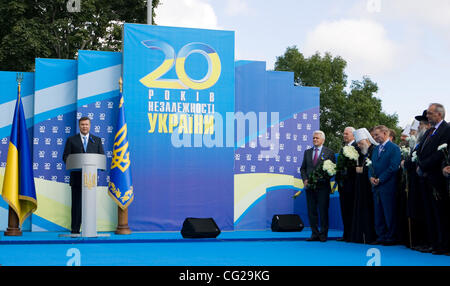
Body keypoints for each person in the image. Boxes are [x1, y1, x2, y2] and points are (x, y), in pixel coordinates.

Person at [416, 103, 450, 255]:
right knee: (429, 212)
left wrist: (423, 165)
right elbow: (420, 150)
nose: (427, 116)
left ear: (439, 115)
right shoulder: (429, 131)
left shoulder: (447, 129)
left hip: (437, 177)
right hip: (425, 177)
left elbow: (441, 153)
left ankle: (444, 244)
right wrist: (418, 163)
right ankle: (434, 242)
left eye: (430, 113)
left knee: (440, 212)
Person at [63, 117, 105, 234]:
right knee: (76, 205)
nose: (84, 127)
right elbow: (65, 157)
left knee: (90, 205)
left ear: (90, 126)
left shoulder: (96, 140)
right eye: (82, 125)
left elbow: (101, 157)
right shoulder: (71, 140)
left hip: (90, 180)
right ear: (79, 126)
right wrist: (75, 161)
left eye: (86, 124)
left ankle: (90, 229)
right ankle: (75, 230)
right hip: (76, 178)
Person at [300, 130, 336, 242]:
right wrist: (305, 179)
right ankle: (314, 234)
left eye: (317, 138)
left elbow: (332, 170)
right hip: (310, 187)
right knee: (312, 211)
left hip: (323, 187)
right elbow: (303, 168)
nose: (315, 140)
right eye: (313, 138)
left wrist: (321, 178)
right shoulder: (307, 152)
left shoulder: (329, 152)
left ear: (323, 140)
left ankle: (323, 234)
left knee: (323, 211)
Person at [369, 125, 401, 246]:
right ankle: (381, 236)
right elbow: (370, 165)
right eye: (374, 135)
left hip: (388, 186)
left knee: (389, 212)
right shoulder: (376, 149)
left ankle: (391, 237)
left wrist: (380, 179)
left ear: (385, 133)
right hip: (376, 186)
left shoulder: (394, 148)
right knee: (378, 213)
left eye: (377, 135)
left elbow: (393, 167)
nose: (375, 137)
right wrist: (371, 177)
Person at [350, 128, 378, 244]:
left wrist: (364, 170)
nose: (360, 146)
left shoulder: (374, 150)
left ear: (367, 140)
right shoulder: (362, 152)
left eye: (361, 143)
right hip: (361, 187)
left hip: (370, 186)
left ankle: (371, 236)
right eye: (358, 144)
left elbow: (375, 166)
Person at [336, 127, 358, 242]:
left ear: (353, 135)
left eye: (346, 133)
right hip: (342, 185)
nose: (344, 135)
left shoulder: (357, 147)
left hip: (352, 184)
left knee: (351, 210)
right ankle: (346, 234)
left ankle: (352, 234)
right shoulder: (343, 148)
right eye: (343, 133)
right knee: (344, 210)